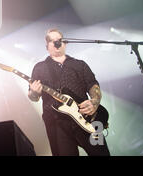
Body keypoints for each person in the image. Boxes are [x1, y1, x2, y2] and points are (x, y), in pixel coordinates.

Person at [28, 28, 110, 156]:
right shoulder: (40, 67)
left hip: (87, 117)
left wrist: (94, 102)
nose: (56, 43)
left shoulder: (79, 64)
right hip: (57, 123)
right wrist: (34, 92)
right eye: (52, 40)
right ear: (47, 46)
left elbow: (93, 84)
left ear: (65, 43)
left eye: (59, 40)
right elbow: (34, 97)